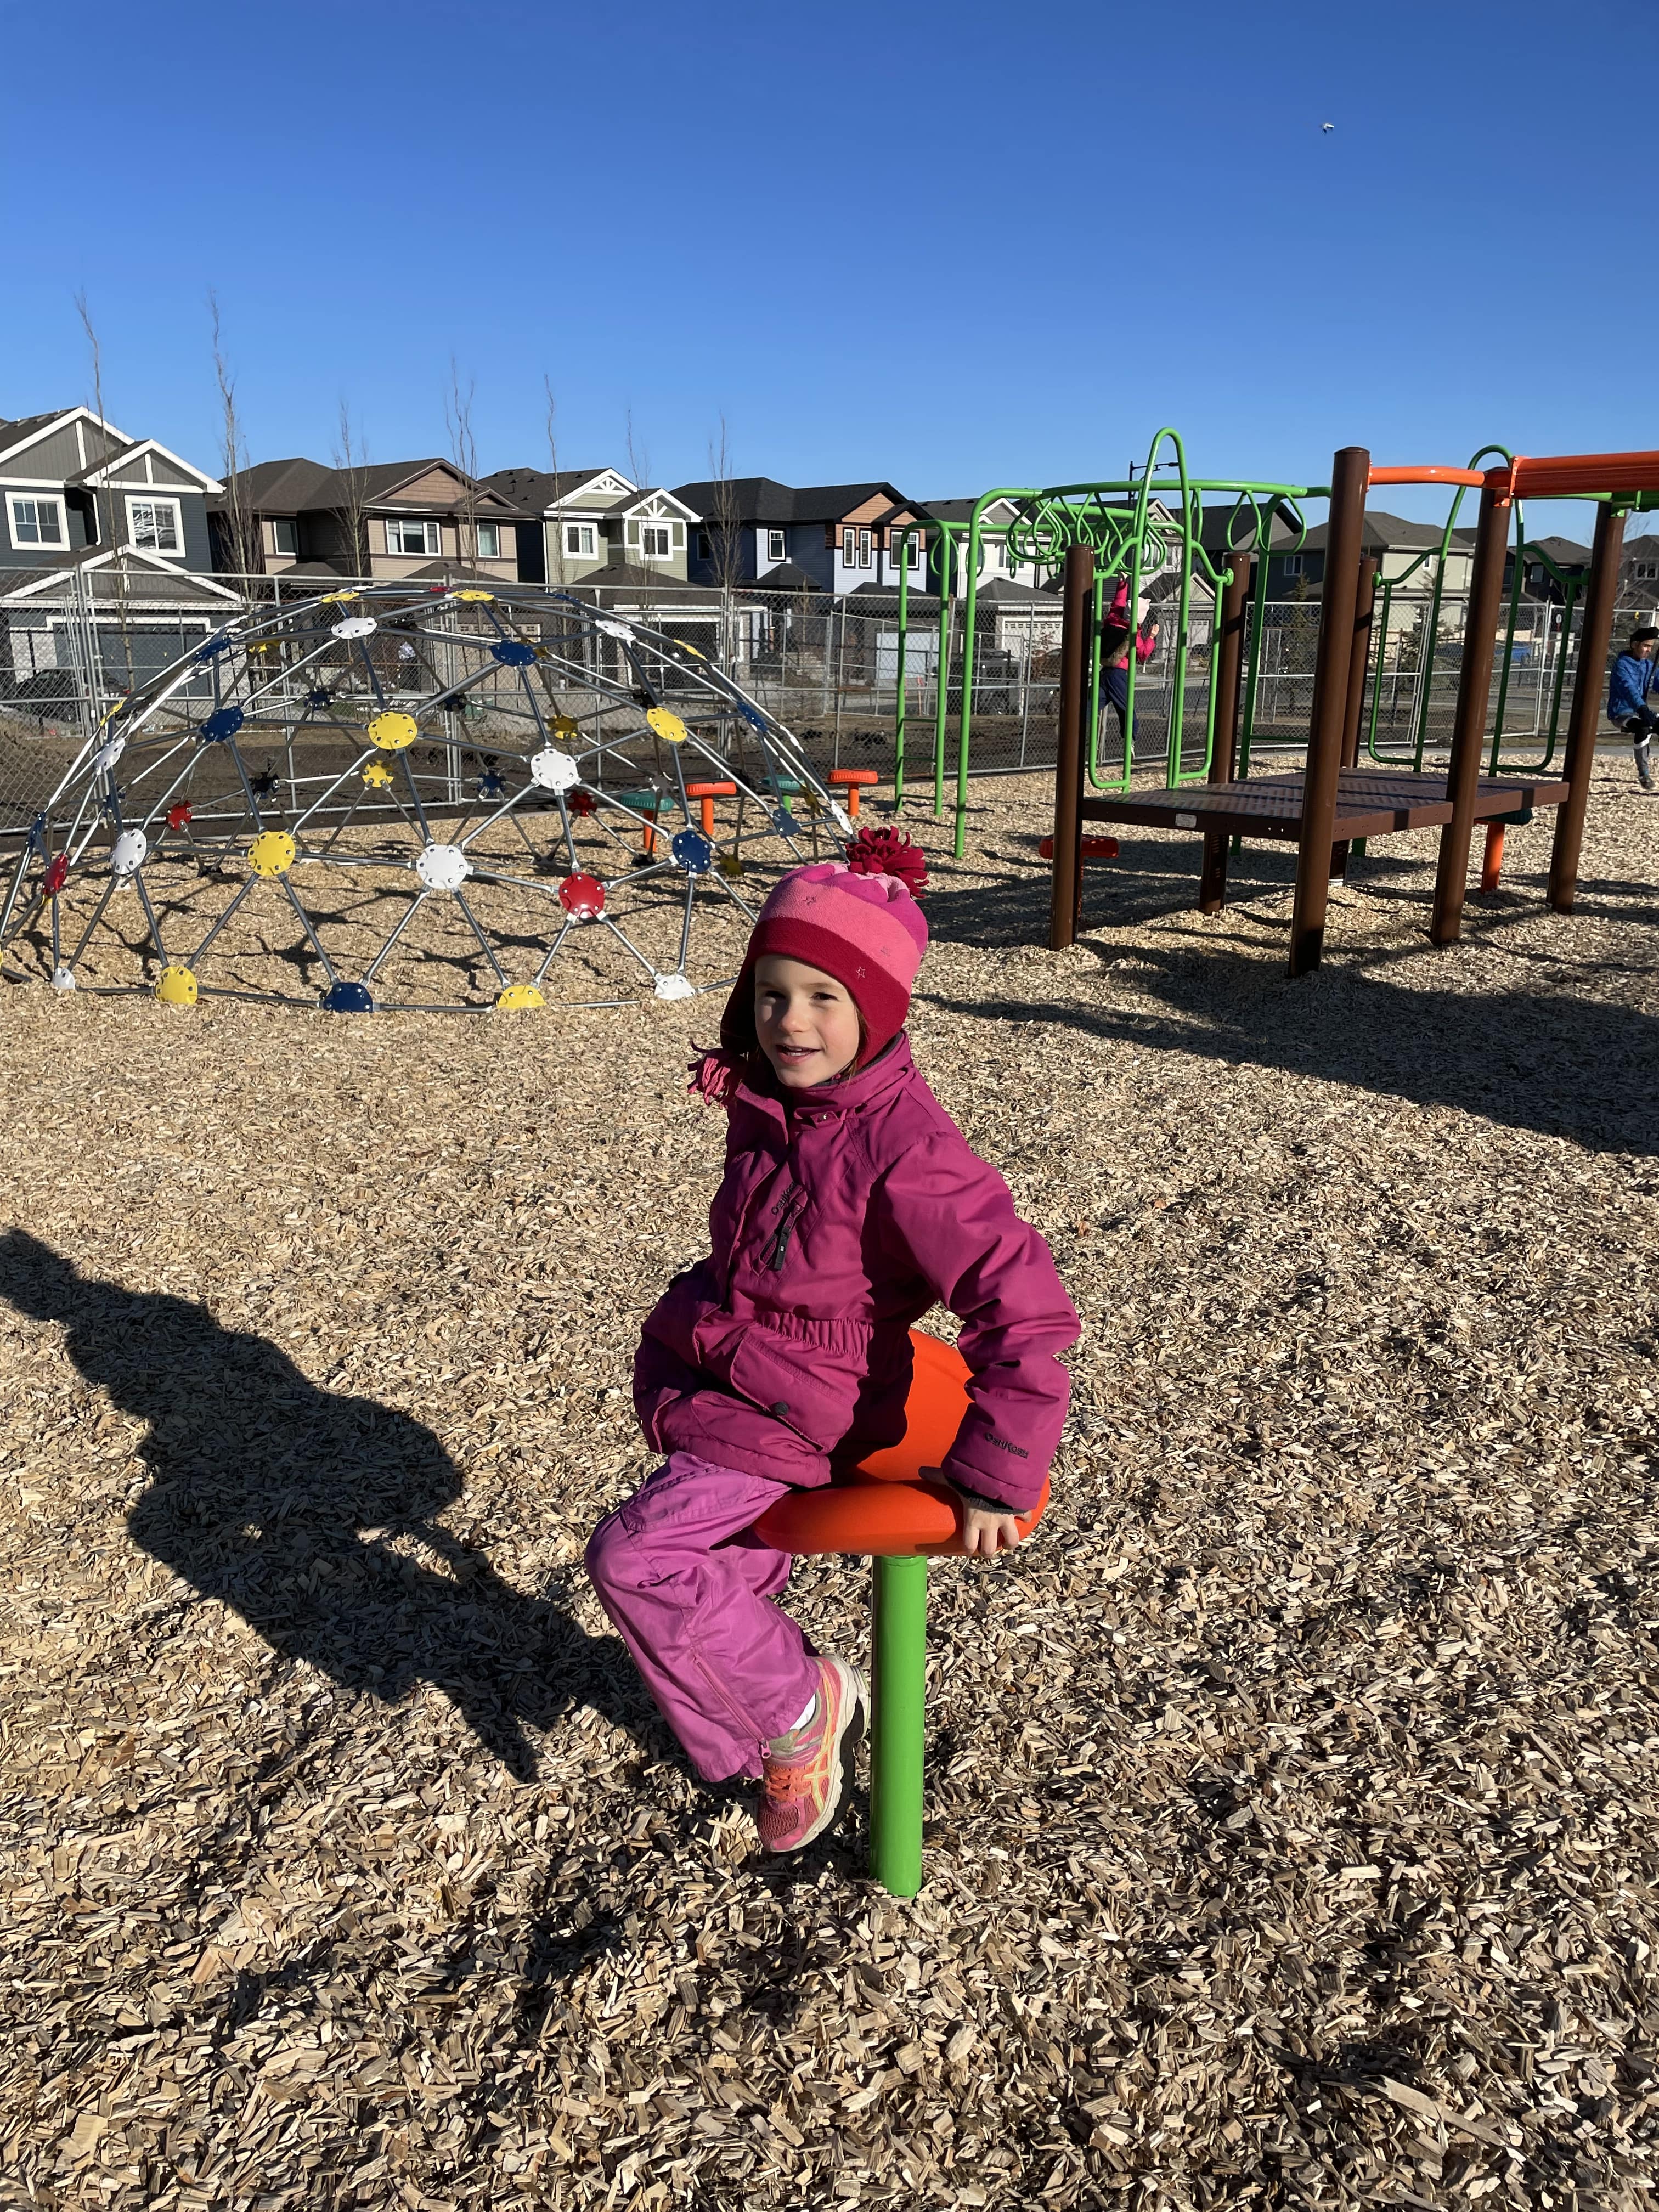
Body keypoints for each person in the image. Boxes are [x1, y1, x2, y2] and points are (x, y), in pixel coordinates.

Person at [585, 863, 1079, 1853]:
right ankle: (756, 1700)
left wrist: (998, 1470)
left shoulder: (907, 1147)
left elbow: (1024, 1308)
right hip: (736, 1370)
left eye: (823, 998)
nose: (788, 1021)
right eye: (770, 994)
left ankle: (798, 1713)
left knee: (635, 1557)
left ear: (880, 1012)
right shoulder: (771, 1103)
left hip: (801, 1403)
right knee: (710, 1560)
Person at [1098, 575, 1158, 753]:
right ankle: (1130, 739)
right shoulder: (1134, 633)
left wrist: (1123, 583)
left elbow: (1118, 601)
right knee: (1126, 709)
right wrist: (1152, 638)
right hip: (1118, 674)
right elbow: (1142, 655)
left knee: (1091, 703)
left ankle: (1072, 728)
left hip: (1105, 671)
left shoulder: (1113, 618)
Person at [1609, 627, 1659, 791]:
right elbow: (1628, 689)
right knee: (1643, 728)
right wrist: (1642, 708)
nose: (1649, 650)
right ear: (1634, 644)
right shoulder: (1622, 665)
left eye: (1651, 647)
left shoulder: (1649, 666)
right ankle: (1644, 772)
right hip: (1621, 713)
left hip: (1640, 711)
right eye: (1646, 646)